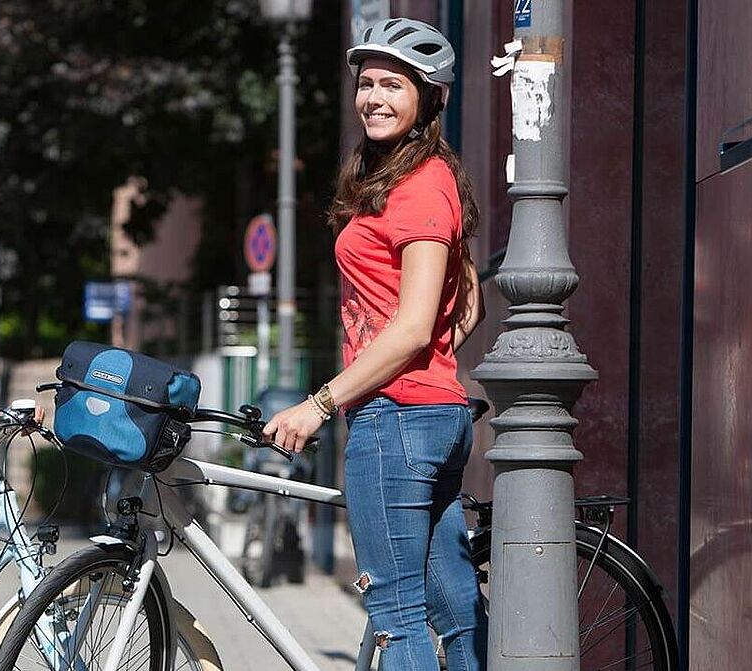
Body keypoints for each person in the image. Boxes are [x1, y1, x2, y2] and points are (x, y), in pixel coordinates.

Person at [262, 18, 487, 671]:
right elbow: (462, 298)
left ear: (429, 98)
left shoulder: (421, 185)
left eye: (394, 84)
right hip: (432, 412)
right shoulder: (414, 178)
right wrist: (429, 360)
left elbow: (418, 325)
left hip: (396, 419)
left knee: (397, 617)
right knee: (452, 612)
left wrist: (319, 403)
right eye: (367, 84)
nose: (375, 97)